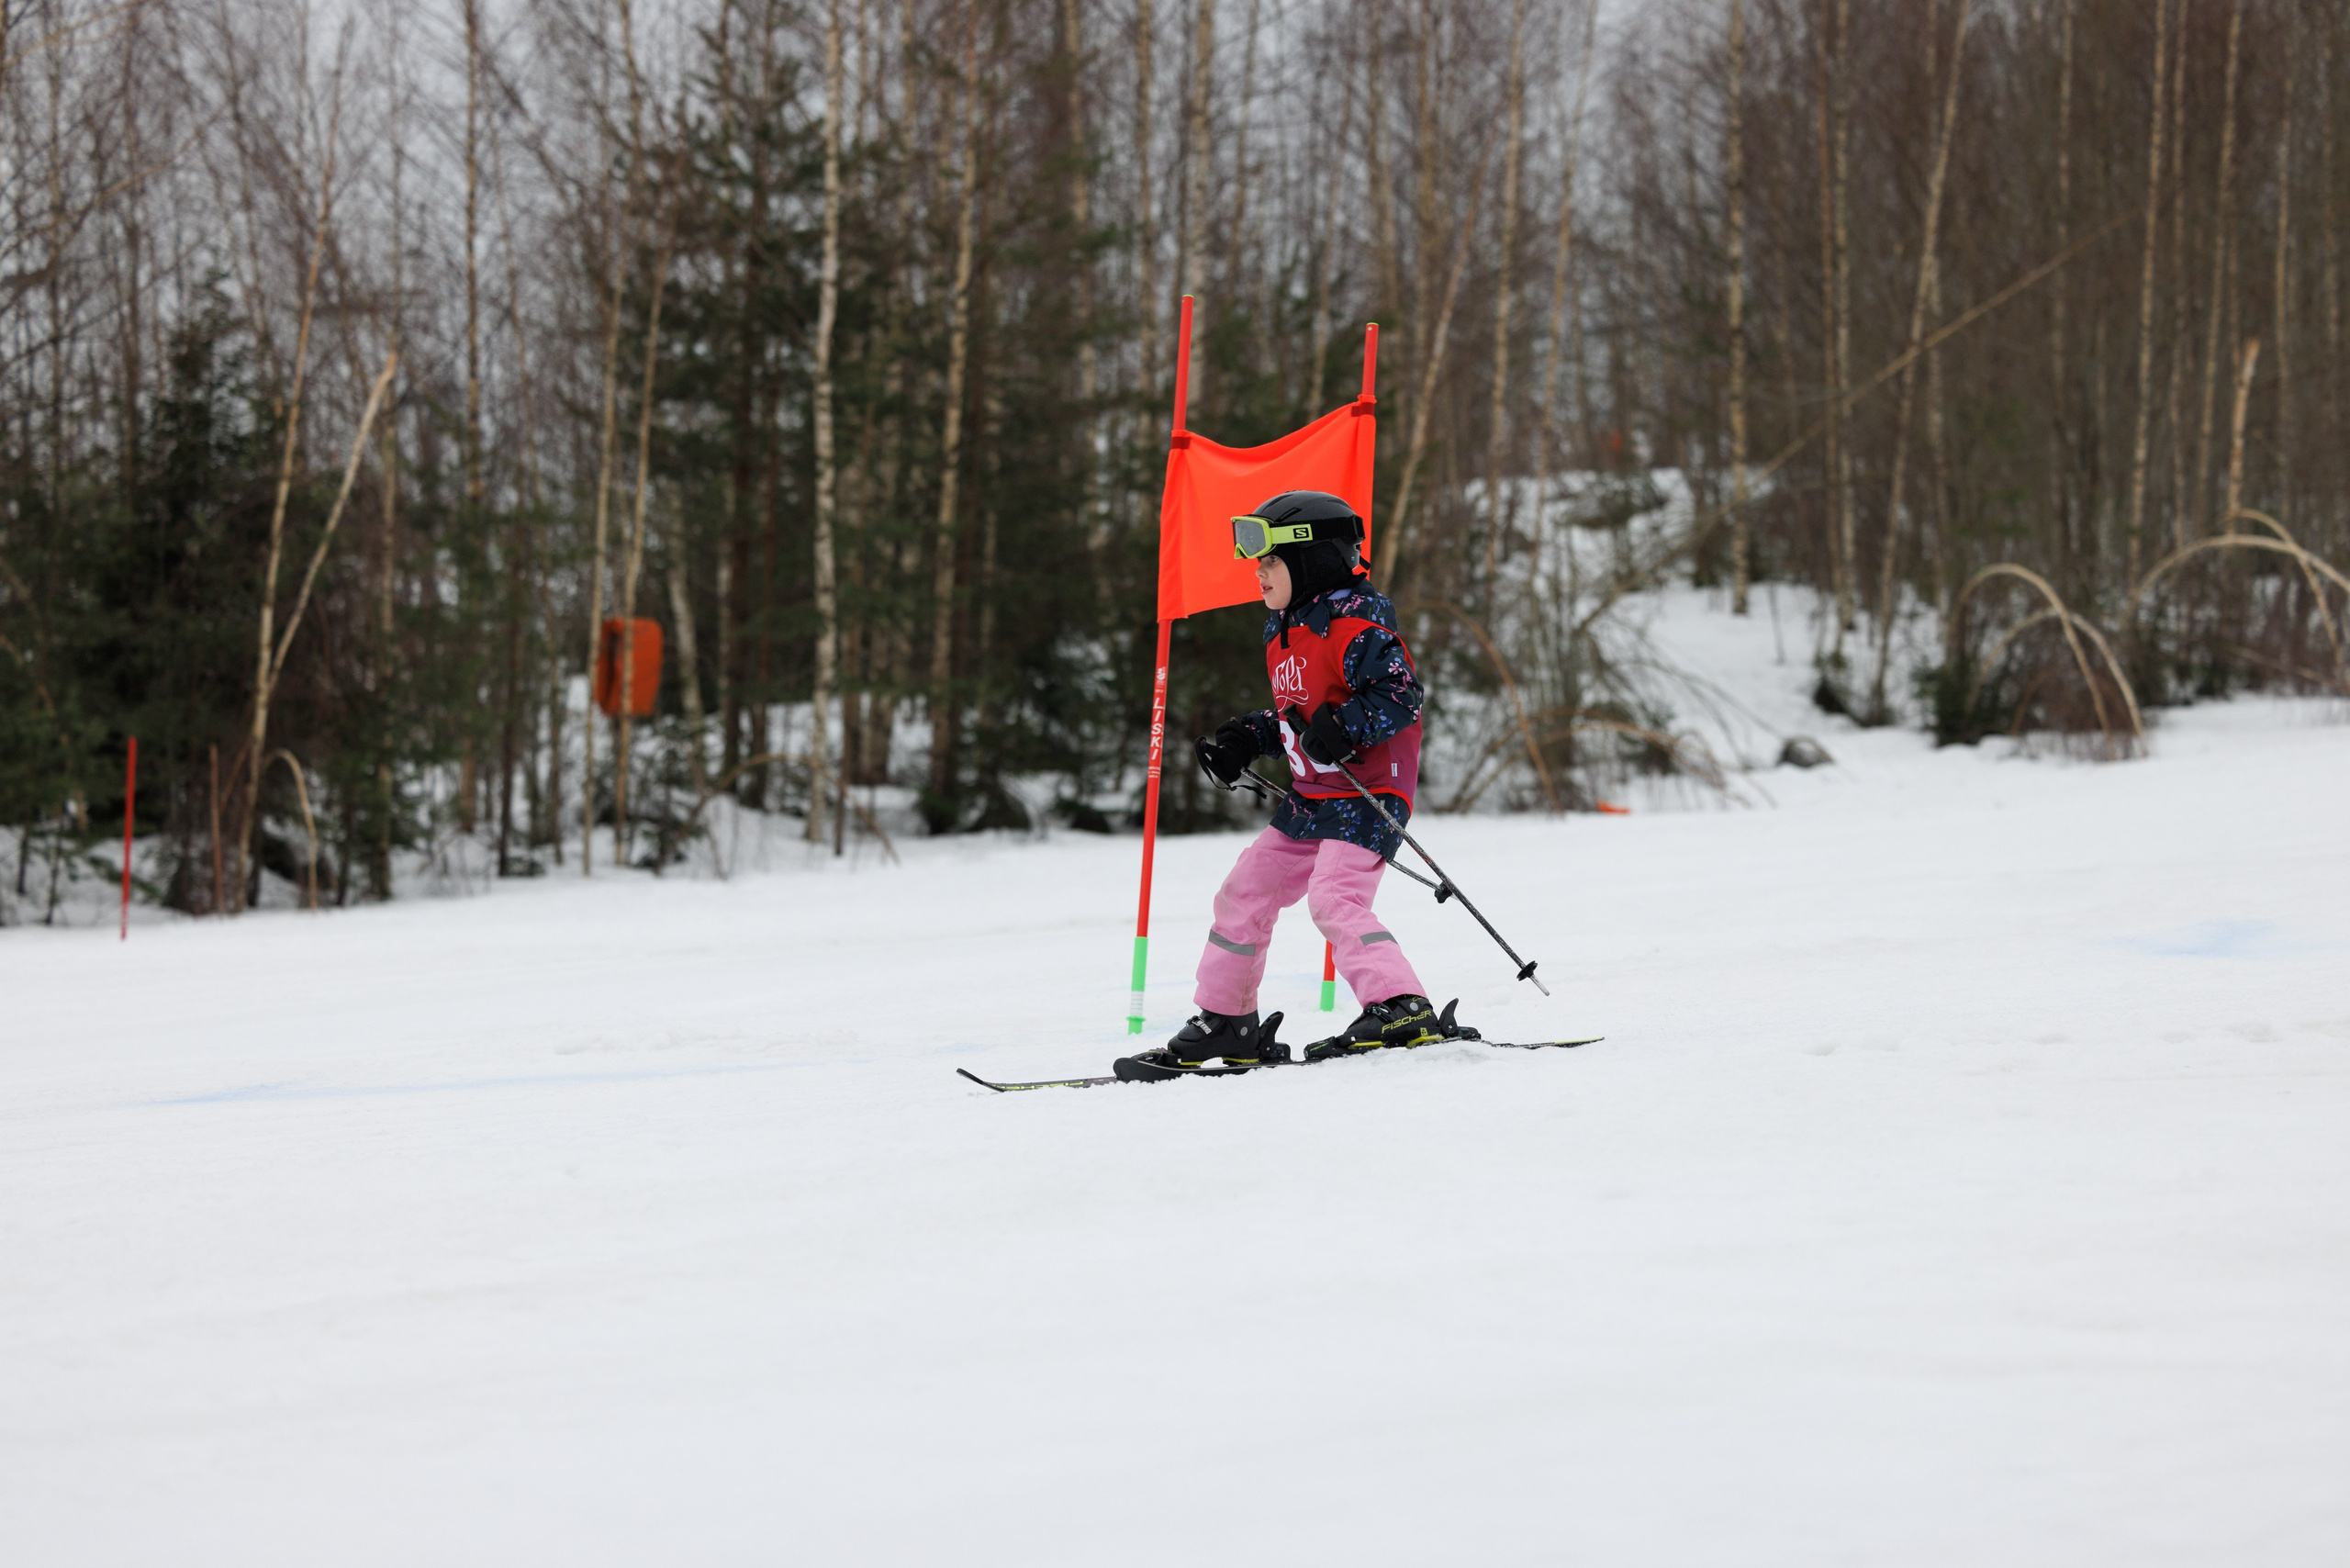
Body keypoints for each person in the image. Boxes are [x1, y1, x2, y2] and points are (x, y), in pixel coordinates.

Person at [1146, 488, 1449, 1069]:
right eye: (1257, 562)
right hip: (1312, 798)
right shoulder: (1283, 632)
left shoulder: (1356, 627)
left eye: (1271, 561)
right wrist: (1248, 738)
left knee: (1334, 897)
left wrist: (1347, 726)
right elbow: (1296, 719)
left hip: (1367, 794)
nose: (1258, 573)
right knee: (1244, 891)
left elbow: (1401, 694)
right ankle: (1227, 1019)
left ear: (1312, 560)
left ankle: (1401, 1005)